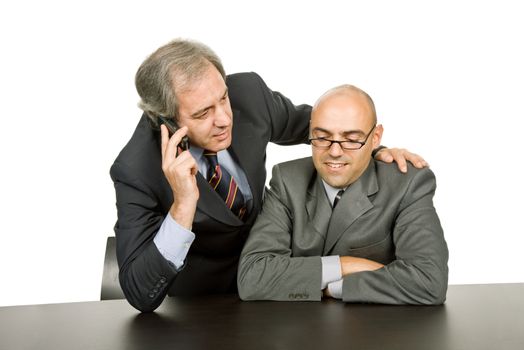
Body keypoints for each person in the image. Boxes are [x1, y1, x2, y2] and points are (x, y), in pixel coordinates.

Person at [110, 39, 428, 312]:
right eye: (203, 113)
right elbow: (139, 293)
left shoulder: (249, 95)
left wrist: (374, 149)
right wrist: (182, 206)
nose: (224, 119)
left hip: (279, 285)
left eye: (222, 98)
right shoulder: (135, 170)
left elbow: (315, 127)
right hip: (202, 309)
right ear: (165, 118)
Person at [237, 85, 448, 304]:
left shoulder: (408, 183)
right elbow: (253, 276)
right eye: (321, 137)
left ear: (375, 138)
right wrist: (345, 265)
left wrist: (334, 287)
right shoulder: (286, 181)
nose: (335, 152)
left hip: (380, 333)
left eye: (351, 139)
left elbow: (429, 281)